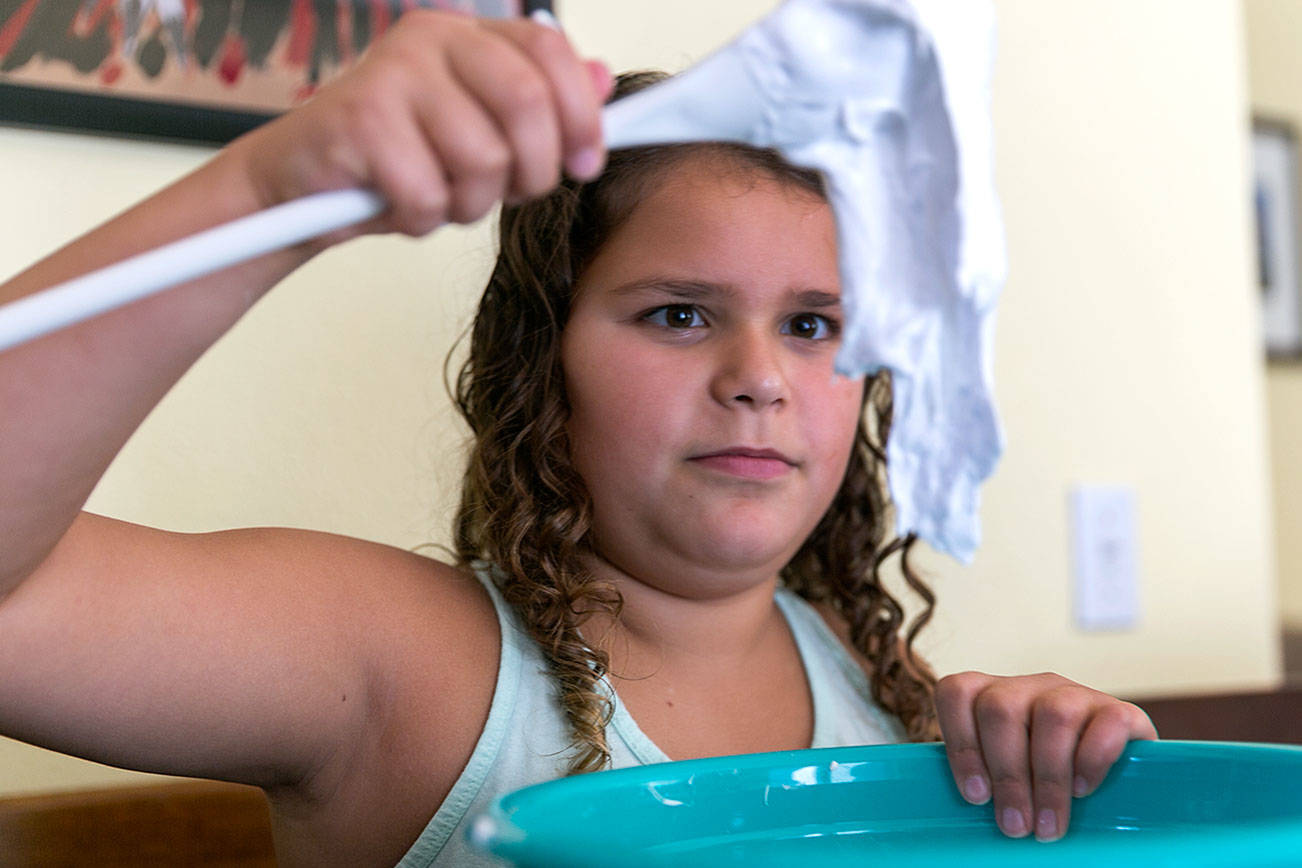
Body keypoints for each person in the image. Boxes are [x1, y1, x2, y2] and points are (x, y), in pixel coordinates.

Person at [0, 10, 1156, 867]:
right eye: (680, 313)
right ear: (542, 358)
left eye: (814, 325)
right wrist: (272, 183)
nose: (758, 376)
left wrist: (1079, 772)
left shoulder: (879, 684)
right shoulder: (407, 667)